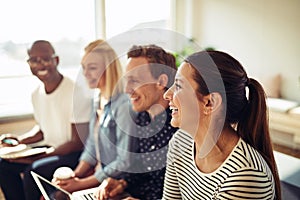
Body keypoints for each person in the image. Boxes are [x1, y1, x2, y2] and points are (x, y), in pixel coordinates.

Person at [162, 50, 281, 199]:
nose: (167, 94)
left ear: (209, 103)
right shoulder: (180, 142)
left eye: (179, 86)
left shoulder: (245, 176)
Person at [0, 40, 91, 200]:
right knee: (2, 165)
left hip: (73, 154)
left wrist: (41, 156)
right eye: (34, 60)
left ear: (56, 60)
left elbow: (78, 142)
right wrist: (20, 141)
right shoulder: (36, 94)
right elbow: (42, 130)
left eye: (46, 59)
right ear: (29, 64)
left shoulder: (75, 92)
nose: (40, 65)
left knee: (33, 170)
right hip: (51, 149)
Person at [52, 39, 137, 194]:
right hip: (98, 174)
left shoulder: (124, 105)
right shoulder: (97, 98)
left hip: (115, 183)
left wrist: (81, 184)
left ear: (109, 69)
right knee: (55, 194)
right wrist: (74, 176)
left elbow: (124, 162)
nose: (85, 73)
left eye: (92, 68)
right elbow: (91, 144)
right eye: (83, 67)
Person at [94, 44, 178, 200]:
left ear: (161, 81)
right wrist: (121, 183)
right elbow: (142, 170)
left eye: (134, 81)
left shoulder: (180, 128)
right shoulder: (142, 118)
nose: (127, 90)